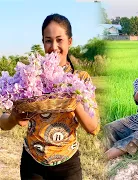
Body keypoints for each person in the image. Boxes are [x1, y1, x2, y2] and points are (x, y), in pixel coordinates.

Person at [0, 13, 100, 179]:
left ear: (69, 42)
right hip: (33, 164)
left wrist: (74, 102)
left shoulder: (80, 79)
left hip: (68, 165)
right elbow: (3, 123)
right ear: (43, 42)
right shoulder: (31, 76)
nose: (54, 47)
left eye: (59, 40)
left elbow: (93, 128)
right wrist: (14, 117)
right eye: (48, 40)